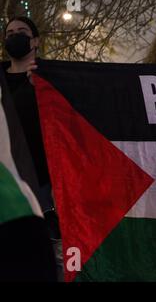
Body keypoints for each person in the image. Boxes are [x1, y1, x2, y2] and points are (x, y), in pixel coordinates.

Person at [1, 16, 63, 281]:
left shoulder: (52, 80)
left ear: (36, 40)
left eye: (22, 32)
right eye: (10, 32)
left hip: (46, 191)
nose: (15, 36)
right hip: (7, 190)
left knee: (50, 262)